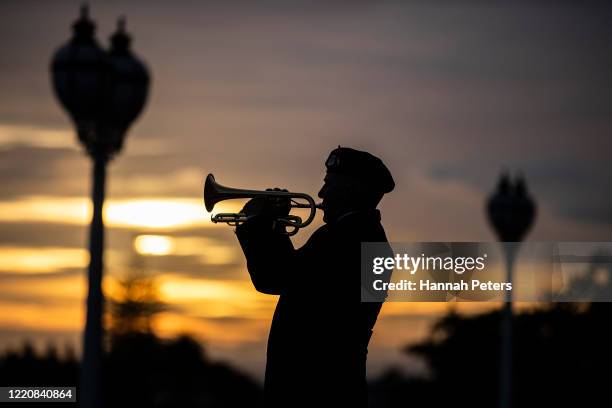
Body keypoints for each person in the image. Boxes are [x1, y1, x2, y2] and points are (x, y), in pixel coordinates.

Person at [236, 146, 394, 407]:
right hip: (326, 387)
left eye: (329, 184)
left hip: (317, 390)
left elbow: (274, 278)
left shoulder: (351, 239)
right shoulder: (351, 235)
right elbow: (295, 279)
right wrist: (274, 226)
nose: (321, 194)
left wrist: (257, 223)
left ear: (351, 189)